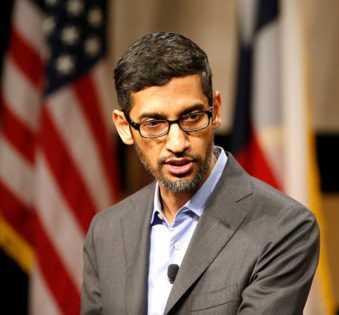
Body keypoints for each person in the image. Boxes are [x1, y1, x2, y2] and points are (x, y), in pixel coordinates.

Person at [80, 31, 320, 315]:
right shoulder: (106, 231)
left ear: (215, 110)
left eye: (192, 117)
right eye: (154, 123)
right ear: (124, 127)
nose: (178, 143)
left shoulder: (284, 227)